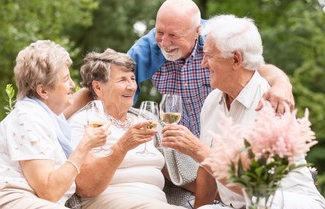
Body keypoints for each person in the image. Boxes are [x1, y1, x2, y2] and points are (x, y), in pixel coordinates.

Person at [161, 15, 325, 209]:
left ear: (236, 59)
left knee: (263, 202)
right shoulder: (212, 102)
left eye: (209, 56)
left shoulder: (270, 103)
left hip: (292, 203)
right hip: (245, 208)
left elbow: (253, 185)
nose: (203, 63)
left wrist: (197, 150)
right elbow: (207, 172)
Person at [0, 40, 133, 209]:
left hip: (26, 201)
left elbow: (82, 96)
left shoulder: (52, 120)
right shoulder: (28, 117)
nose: (72, 85)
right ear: (43, 91)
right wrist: (85, 145)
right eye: (65, 79)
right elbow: (49, 191)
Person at [65, 0, 294, 138]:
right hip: (180, 144)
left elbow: (260, 69)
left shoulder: (215, 41)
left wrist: (283, 85)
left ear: (197, 31)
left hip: (222, 135)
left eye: (174, 35)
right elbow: (105, 83)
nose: (164, 43)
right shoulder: (150, 47)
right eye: (160, 32)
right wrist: (57, 118)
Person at [68, 48, 194, 209]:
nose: (131, 87)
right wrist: (122, 146)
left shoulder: (144, 118)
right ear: (98, 88)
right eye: (122, 80)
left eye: (132, 79)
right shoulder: (85, 121)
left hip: (155, 202)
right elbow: (86, 186)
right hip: (106, 199)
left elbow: (183, 171)